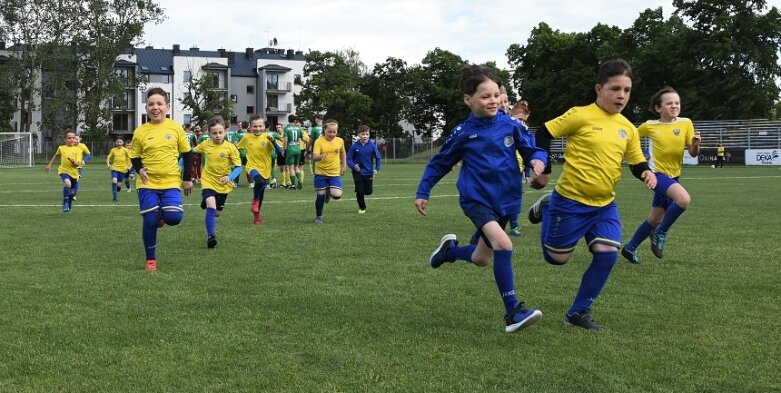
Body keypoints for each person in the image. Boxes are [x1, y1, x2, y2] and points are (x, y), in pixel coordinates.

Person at [415, 65, 547, 334]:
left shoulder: (510, 125)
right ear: (468, 99)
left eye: (496, 95)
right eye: (486, 96)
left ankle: (449, 252)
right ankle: (513, 312)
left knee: (481, 258)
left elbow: (533, 148)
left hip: (506, 202)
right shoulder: (463, 132)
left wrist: (537, 160)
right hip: (476, 200)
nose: (494, 101)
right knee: (503, 243)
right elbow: (440, 163)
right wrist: (423, 192)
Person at [527, 59, 657, 330]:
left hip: (604, 205)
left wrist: (646, 171)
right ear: (599, 88)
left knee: (608, 253)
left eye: (627, 90)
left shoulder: (628, 128)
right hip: (570, 202)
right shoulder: (580, 114)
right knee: (556, 259)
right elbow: (544, 133)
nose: (621, 95)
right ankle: (548, 206)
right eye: (615, 88)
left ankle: (578, 312)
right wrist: (545, 166)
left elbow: (635, 161)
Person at [621, 87, 700, 263]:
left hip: (674, 176)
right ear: (659, 108)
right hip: (656, 175)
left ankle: (630, 248)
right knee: (684, 199)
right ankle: (660, 233)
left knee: (655, 218)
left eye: (677, 103)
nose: (674, 106)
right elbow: (630, 138)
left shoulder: (686, 123)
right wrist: (638, 156)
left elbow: (693, 153)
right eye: (669, 103)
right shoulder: (650, 125)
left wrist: (695, 144)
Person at [130, 87, 194, 272]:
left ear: (167, 107)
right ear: (146, 107)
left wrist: (187, 178)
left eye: (159, 104)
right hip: (147, 183)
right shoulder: (140, 131)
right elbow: (134, 156)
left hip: (171, 182)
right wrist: (139, 169)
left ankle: (161, 216)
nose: (155, 107)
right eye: (151, 104)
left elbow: (187, 154)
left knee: (174, 218)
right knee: (149, 221)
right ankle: (151, 259)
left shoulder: (175, 128)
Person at [193, 116, 242, 248]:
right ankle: (211, 237)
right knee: (211, 206)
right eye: (214, 133)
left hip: (223, 184)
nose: (217, 135)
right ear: (209, 133)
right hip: (208, 180)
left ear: (225, 131)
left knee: (217, 213)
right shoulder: (205, 145)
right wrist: (180, 163)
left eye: (220, 132)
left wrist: (230, 177)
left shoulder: (230, 148)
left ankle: (206, 200)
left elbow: (238, 166)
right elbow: (191, 153)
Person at [236, 114, 284, 224]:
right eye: (255, 126)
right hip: (252, 167)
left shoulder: (268, 137)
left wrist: (273, 141)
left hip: (265, 169)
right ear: (250, 127)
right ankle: (255, 201)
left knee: (261, 191)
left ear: (264, 126)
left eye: (260, 126)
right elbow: (236, 147)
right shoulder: (246, 137)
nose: (258, 129)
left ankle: (257, 214)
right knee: (259, 181)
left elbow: (280, 151)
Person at [44, 129, 91, 212]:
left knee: (72, 192)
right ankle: (65, 203)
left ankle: (68, 204)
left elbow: (77, 164)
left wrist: (73, 162)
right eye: (69, 138)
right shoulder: (61, 148)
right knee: (67, 183)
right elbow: (56, 155)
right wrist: (49, 164)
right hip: (63, 170)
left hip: (74, 172)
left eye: (73, 137)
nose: (72, 139)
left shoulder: (78, 150)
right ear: (65, 139)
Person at [312, 119, 346, 224]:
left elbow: (343, 153)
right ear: (324, 131)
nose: (332, 134)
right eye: (329, 132)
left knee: (337, 195)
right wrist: (320, 156)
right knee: (320, 195)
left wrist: (344, 165)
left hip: (334, 173)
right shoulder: (319, 141)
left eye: (334, 132)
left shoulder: (340, 141)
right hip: (320, 173)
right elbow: (314, 156)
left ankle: (329, 192)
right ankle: (319, 216)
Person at [508, 100, 533, 237]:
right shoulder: (506, 128)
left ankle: (514, 225)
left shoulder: (525, 132)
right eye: (519, 119)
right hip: (504, 169)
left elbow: (528, 152)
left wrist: (527, 171)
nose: (522, 123)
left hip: (518, 170)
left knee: (515, 197)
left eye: (525, 121)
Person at [347, 125, 382, 213]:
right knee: (360, 190)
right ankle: (362, 207)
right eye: (363, 134)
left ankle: (366, 193)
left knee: (368, 191)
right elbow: (349, 159)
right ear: (359, 135)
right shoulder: (354, 146)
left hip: (368, 172)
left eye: (367, 134)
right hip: (357, 172)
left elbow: (378, 158)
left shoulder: (372, 146)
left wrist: (376, 169)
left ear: (369, 135)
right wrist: (354, 166)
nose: (365, 136)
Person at [106, 137, 132, 202]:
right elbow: (108, 157)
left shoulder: (126, 150)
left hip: (123, 169)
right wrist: (108, 164)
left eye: (120, 142)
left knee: (118, 185)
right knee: (114, 181)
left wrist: (130, 166)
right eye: (118, 142)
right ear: (116, 143)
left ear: (123, 143)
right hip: (114, 168)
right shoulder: (113, 150)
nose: (119, 143)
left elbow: (132, 158)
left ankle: (118, 188)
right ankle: (115, 196)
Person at [284, 115, 306, 189]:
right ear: (295, 120)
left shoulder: (286, 128)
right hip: (298, 149)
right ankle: (299, 180)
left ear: (288, 120)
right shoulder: (298, 128)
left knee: (291, 167)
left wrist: (285, 148)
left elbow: (286, 139)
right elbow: (302, 138)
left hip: (290, 149)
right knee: (296, 166)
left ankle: (293, 185)